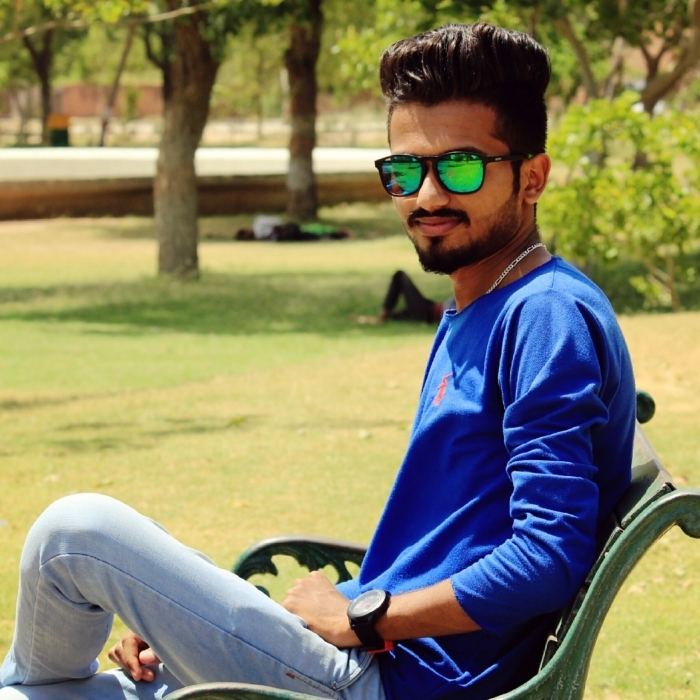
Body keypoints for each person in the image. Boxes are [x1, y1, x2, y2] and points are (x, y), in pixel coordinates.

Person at [0, 22, 636, 700]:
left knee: (74, 533)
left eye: (460, 166)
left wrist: (364, 617)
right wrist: (195, 626)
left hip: (393, 681)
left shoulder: (544, 315)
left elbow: (547, 556)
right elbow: (443, 548)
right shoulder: (481, 305)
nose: (426, 196)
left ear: (532, 177)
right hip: (360, 656)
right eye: (405, 170)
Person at [360, 270, 455, 324]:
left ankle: (382, 317)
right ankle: (376, 319)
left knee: (400, 276)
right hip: (431, 307)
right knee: (394, 317)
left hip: (428, 312)